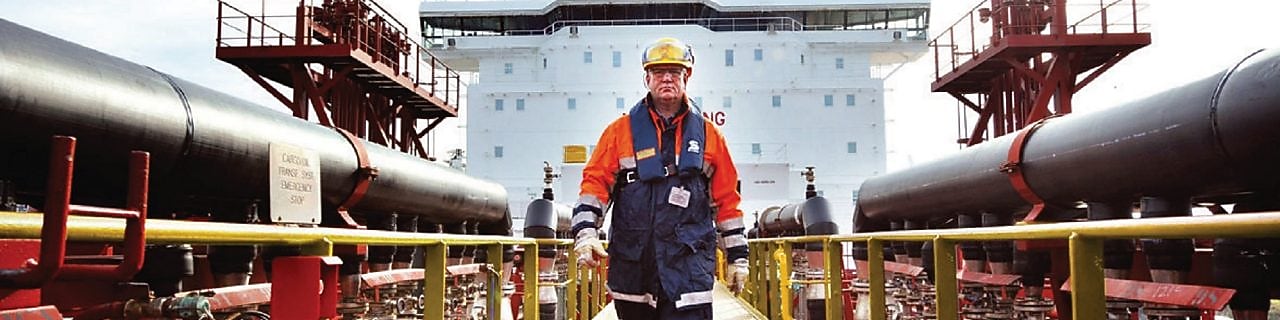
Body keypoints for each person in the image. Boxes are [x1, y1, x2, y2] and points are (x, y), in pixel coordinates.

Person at [571, 37, 750, 319]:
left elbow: (727, 202)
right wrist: (586, 234)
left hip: (689, 274)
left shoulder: (710, 137)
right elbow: (595, 185)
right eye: (658, 72)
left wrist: (738, 259)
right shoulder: (619, 132)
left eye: (675, 72)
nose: (666, 78)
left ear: (686, 78)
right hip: (634, 272)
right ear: (647, 79)